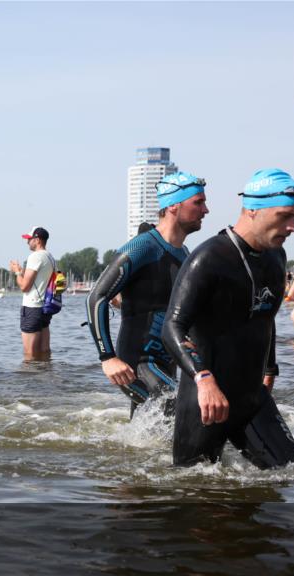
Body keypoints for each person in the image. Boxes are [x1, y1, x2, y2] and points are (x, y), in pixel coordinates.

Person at [162, 168, 294, 469]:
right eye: (285, 216)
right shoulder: (209, 258)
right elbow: (172, 327)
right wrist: (203, 379)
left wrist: (270, 368)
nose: (293, 227)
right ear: (253, 210)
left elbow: (265, 317)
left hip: (253, 397)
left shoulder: (276, 257)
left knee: (293, 475)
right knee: (192, 488)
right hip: (206, 401)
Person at [86, 172, 207, 416]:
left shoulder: (183, 253)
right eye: (198, 202)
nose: (206, 210)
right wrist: (107, 358)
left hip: (168, 362)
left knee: (152, 429)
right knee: (181, 411)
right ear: (173, 206)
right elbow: (96, 298)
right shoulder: (143, 247)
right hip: (137, 363)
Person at [9, 227, 56, 361]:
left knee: (29, 354)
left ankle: (30, 375)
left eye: (29, 239)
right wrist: (21, 271)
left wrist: (17, 272)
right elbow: (39, 280)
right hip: (45, 308)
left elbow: (24, 287)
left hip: (32, 308)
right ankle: (45, 372)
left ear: (37, 240)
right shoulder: (50, 257)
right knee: (44, 350)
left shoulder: (35, 256)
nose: (27, 242)